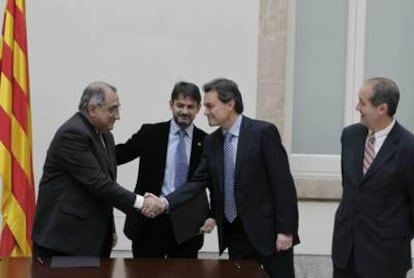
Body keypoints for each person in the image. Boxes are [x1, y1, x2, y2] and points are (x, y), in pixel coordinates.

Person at [144, 78, 299, 278]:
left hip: (268, 234)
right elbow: (198, 181)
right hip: (234, 235)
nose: (205, 111)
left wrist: (286, 231)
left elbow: (283, 184)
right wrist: (165, 202)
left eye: (210, 106)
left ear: (230, 104)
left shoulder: (262, 133)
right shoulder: (212, 141)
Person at [32, 81, 157, 258]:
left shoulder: (105, 135)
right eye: (112, 109)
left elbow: (105, 186)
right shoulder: (72, 134)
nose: (118, 116)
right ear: (92, 109)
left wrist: (110, 228)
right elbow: (98, 183)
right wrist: (142, 203)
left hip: (93, 239)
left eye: (118, 108)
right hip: (64, 241)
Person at [116, 81, 215, 258]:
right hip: (149, 219)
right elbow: (119, 155)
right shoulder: (150, 133)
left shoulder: (207, 142)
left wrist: (213, 215)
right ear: (171, 104)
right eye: (180, 105)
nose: (185, 111)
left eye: (190, 107)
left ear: (199, 108)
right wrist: (90, 148)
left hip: (188, 224)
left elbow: (214, 182)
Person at [332, 77, 414, 278]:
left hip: (385, 259)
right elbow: (350, 187)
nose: (357, 107)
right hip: (346, 253)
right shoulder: (350, 136)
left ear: (382, 108)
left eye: (362, 102)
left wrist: (393, 236)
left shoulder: (408, 147)